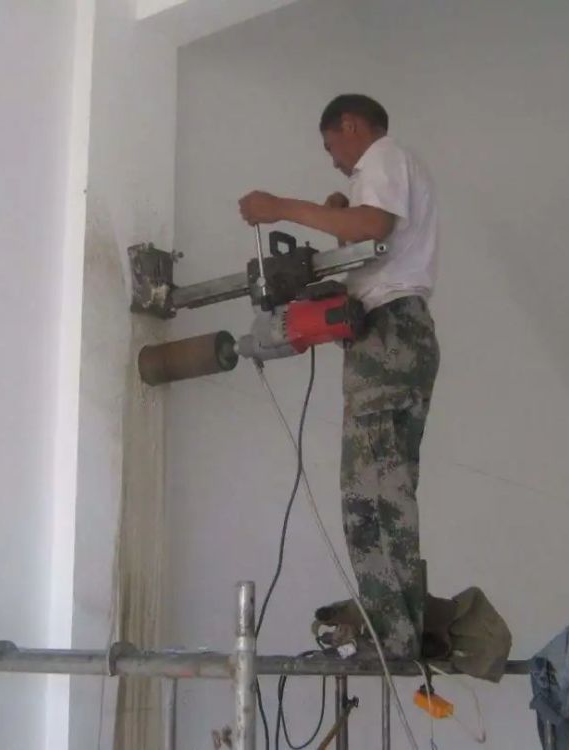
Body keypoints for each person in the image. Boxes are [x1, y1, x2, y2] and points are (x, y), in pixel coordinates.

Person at [238, 94, 440, 660]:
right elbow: (369, 237)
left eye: (332, 146)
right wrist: (340, 222)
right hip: (400, 335)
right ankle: (398, 629)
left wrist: (282, 207)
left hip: (389, 333)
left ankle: (391, 640)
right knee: (387, 487)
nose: (334, 161)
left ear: (350, 125)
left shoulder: (382, 155)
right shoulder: (390, 171)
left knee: (369, 496)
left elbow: (372, 224)